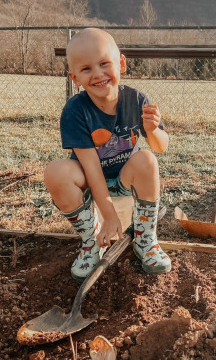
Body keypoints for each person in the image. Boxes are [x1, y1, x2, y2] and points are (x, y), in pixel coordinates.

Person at [44, 28, 171, 282]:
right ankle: (92, 243)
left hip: (125, 181)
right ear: (75, 77)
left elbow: (160, 147)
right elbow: (91, 168)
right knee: (55, 171)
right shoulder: (75, 110)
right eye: (86, 69)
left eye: (104, 63)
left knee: (146, 158)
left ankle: (145, 240)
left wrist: (153, 130)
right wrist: (108, 215)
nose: (98, 74)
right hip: (91, 185)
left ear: (121, 63)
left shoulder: (136, 100)